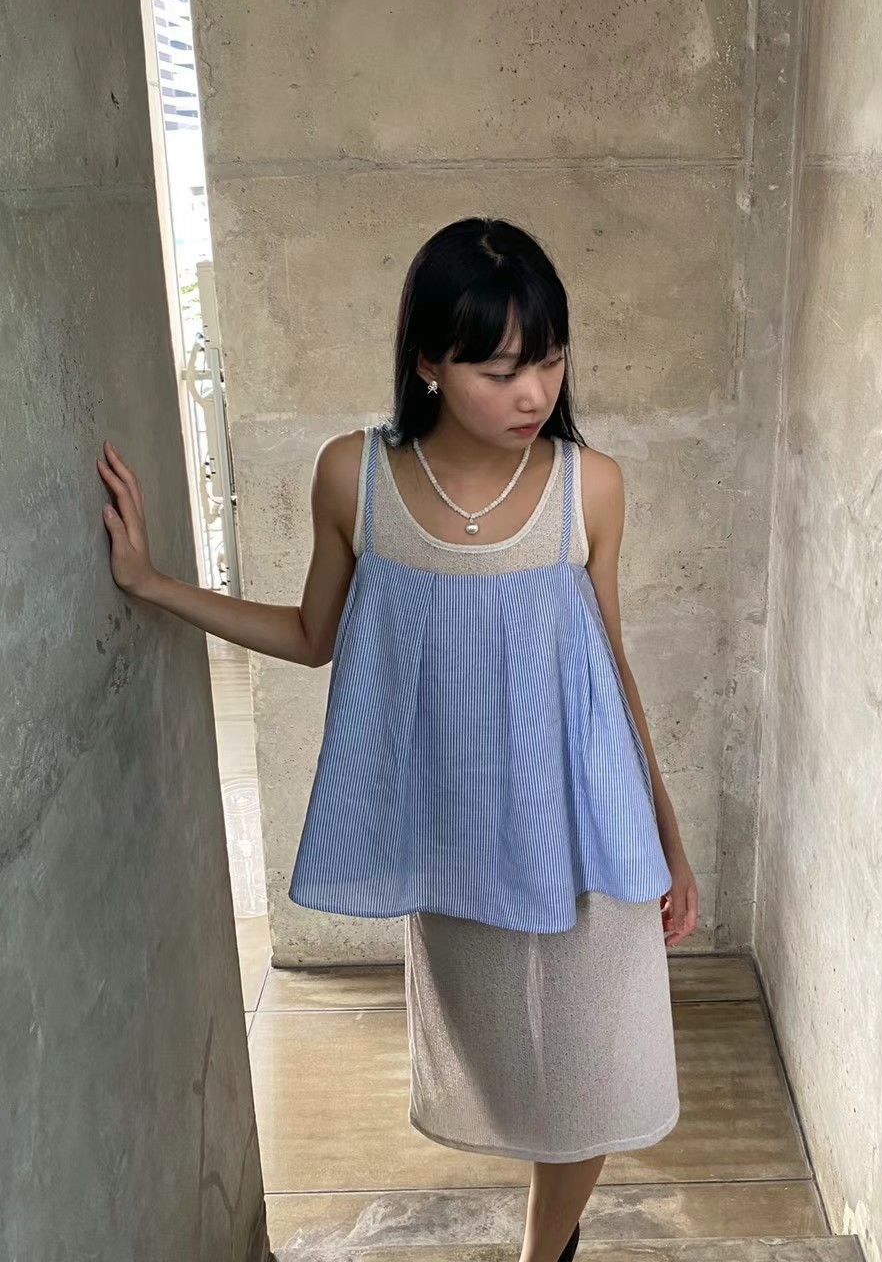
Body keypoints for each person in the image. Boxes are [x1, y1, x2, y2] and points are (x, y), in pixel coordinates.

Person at [98, 215, 698, 1262]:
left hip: (590, 831)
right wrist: (153, 584)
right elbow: (310, 635)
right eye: (498, 370)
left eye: (550, 360)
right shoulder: (356, 479)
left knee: (601, 1077)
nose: (533, 394)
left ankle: (542, 1256)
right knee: (509, 1069)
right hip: (458, 840)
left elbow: (610, 666)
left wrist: (669, 839)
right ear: (427, 362)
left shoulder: (589, 486)